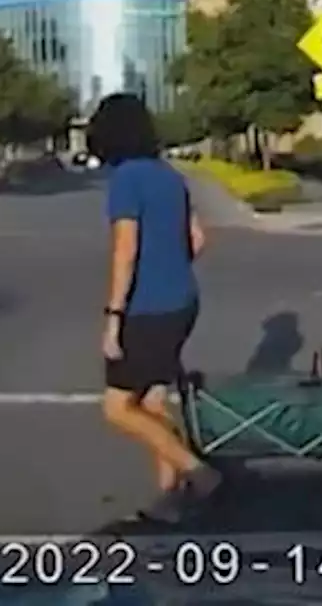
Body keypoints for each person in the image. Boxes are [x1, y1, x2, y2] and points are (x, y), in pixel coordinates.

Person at [87, 93, 222, 522]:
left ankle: (199, 473)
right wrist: (169, 260)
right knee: (153, 402)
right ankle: (170, 501)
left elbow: (125, 250)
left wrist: (113, 317)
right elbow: (198, 239)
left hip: (148, 309)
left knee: (118, 408)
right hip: (184, 301)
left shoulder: (126, 180)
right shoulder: (170, 176)